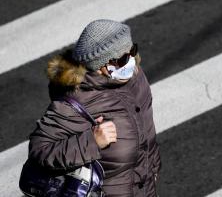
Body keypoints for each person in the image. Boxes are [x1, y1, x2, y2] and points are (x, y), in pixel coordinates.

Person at [28, 19, 161, 197]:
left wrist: (152, 170)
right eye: (122, 59)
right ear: (99, 66)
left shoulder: (135, 77)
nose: (131, 62)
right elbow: (40, 151)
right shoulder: (75, 101)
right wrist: (91, 142)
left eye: (132, 51)